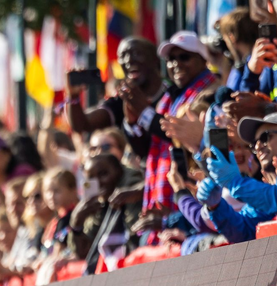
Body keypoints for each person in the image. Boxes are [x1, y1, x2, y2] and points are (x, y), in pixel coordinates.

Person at [125, 31, 216, 214]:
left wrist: (144, 112)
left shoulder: (211, 89)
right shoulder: (170, 98)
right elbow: (145, 149)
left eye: (184, 57)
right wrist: (132, 119)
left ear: (203, 60)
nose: (176, 64)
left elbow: (177, 131)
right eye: (170, 59)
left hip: (194, 196)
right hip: (166, 196)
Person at [65, 37, 165, 159]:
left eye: (137, 53)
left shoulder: (172, 94)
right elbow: (82, 125)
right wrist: (73, 96)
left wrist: (143, 110)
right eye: (123, 56)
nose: (129, 60)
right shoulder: (121, 101)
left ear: (154, 59)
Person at [219, 8, 260, 92]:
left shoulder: (244, 66)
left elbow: (230, 97)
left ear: (231, 37)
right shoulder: (265, 57)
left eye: (226, 40)